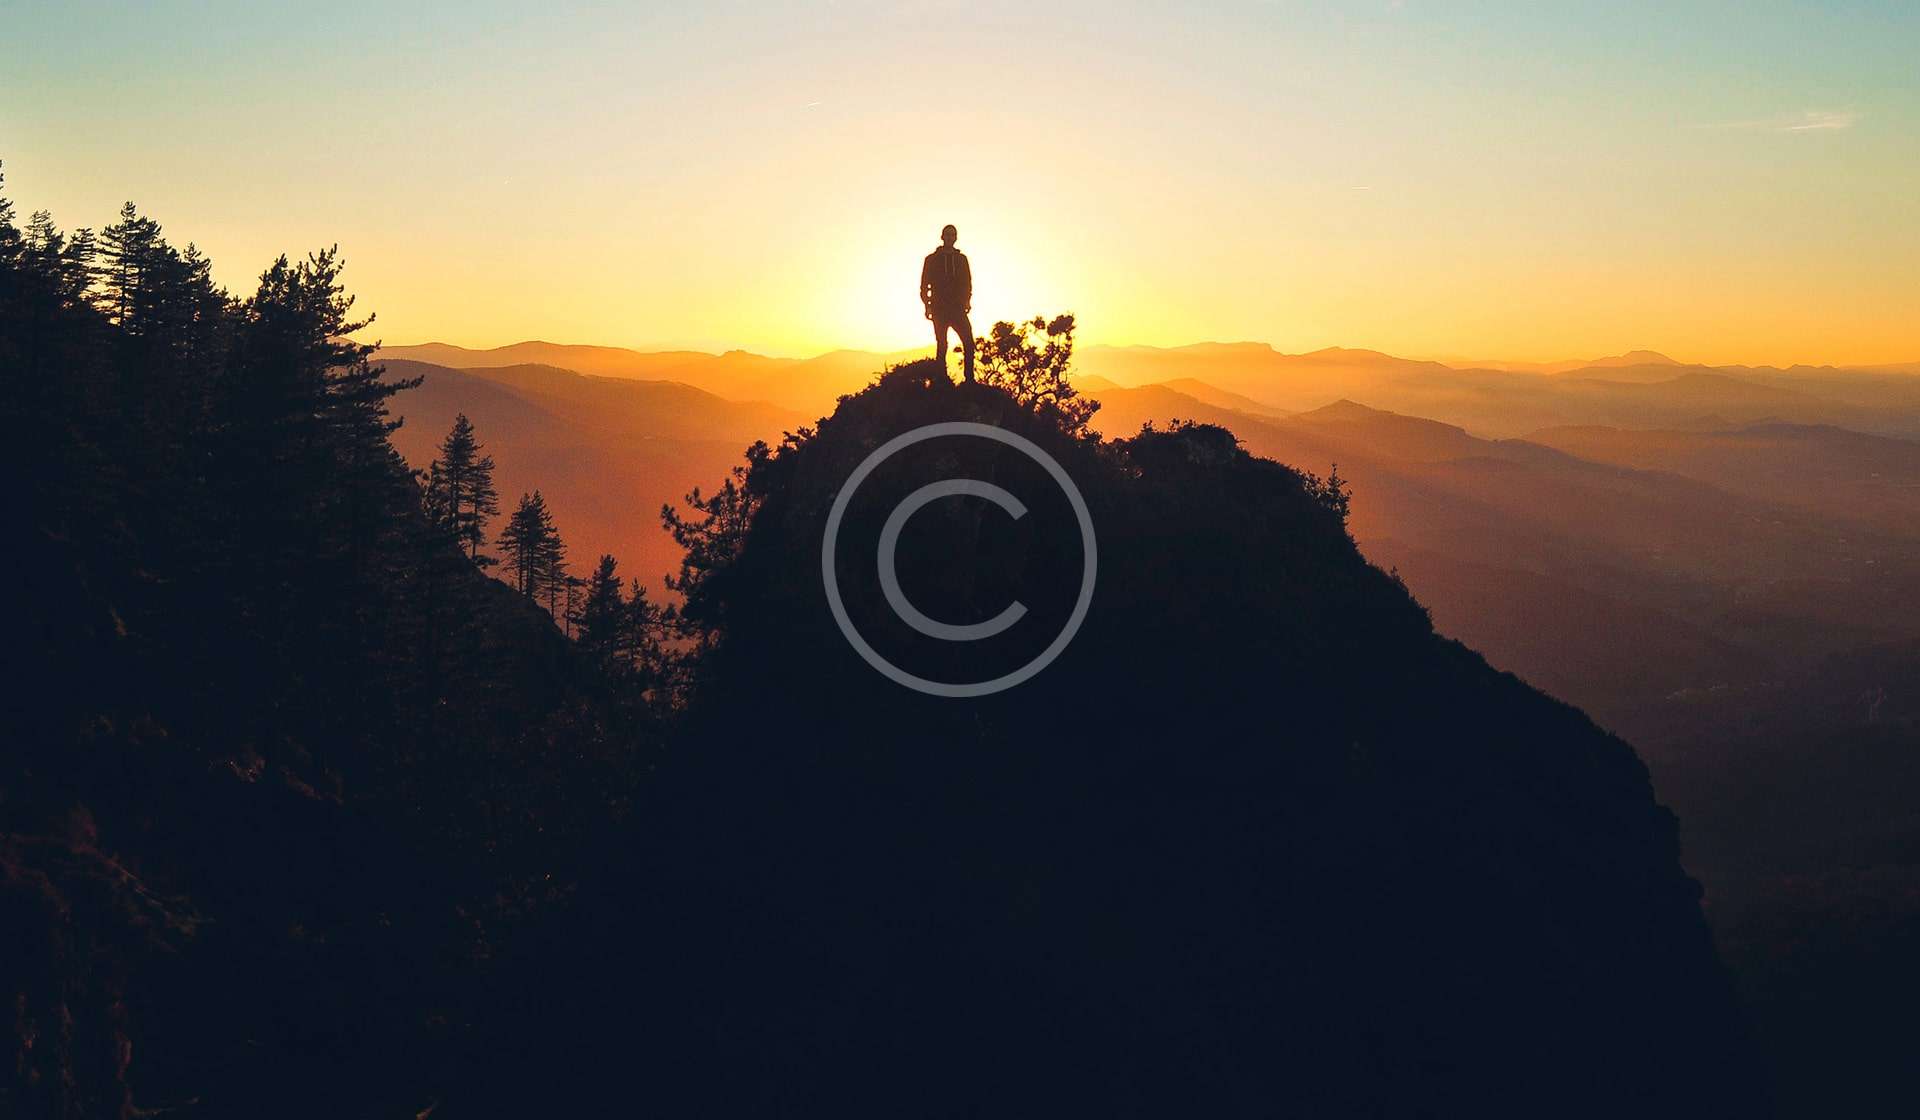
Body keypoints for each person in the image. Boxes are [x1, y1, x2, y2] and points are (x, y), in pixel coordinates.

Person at [921, 224, 974, 383]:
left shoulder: (961, 259)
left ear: (956, 238)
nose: (950, 237)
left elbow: (967, 282)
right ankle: (941, 379)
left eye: (953, 235)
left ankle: (969, 379)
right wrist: (927, 305)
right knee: (942, 344)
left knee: (969, 342)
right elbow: (924, 285)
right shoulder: (931, 260)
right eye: (947, 234)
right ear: (942, 237)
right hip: (939, 308)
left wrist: (967, 301)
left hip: (958, 308)